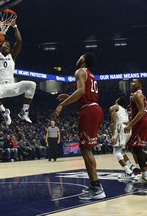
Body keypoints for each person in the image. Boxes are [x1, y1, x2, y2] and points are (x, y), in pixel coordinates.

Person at [53, 52, 106, 200]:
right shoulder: (91, 74)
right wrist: (69, 96)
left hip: (89, 110)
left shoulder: (79, 71)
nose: (77, 57)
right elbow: (84, 92)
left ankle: (96, 187)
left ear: (83, 60)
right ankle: (94, 185)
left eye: (80, 56)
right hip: (96, 109)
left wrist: (62, 104)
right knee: (87, 149)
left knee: (85, 149)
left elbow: (82, 91)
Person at [0, 19, 36, 125]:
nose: (7, 46)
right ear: (0, 46)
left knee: (32, 84)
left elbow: (19, 42)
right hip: (0, 87)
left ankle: (24, 112)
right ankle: (4, 112)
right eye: (4, 44)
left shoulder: (12, 56)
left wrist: (15, 26)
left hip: (12, 86)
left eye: (8, 45)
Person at [124, 79, 147, 184]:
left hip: (142, 122)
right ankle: (145, 174)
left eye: (134, 82)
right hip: (142, 122)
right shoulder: (138, 94)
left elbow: (142, 111)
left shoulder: (136, 95)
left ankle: (145, 176)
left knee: (136, 149)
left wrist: (130, 124)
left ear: (140, 85)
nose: (131, 84)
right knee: (133, 148)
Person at [109, 96, 136, 178]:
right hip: (128, 129)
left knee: (116, 152)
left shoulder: (114, 107)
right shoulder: (124, 110)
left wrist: (113, 134)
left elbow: (113, 122)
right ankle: (131, 167)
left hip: (121, 129)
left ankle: (128, 172)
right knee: (121, 151)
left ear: (117, 100)